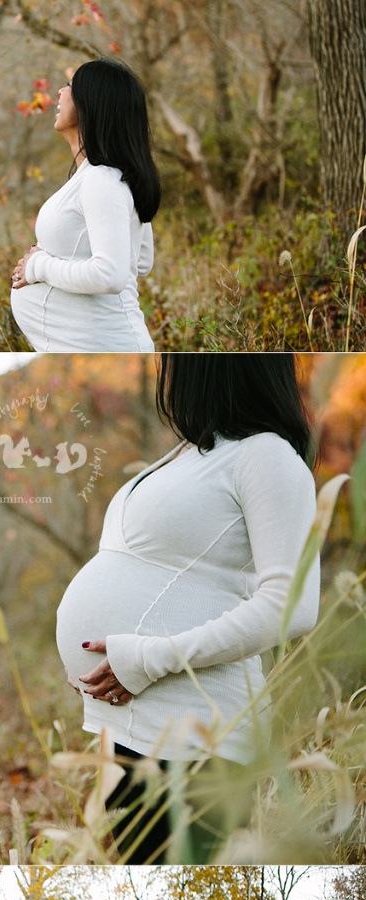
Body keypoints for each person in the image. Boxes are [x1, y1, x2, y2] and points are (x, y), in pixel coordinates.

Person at [56, 353, 320, 861]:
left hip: (197, 736)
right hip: (132, 722)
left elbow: (291, 606)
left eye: (173, 361)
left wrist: (143, 658)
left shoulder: (266, 456)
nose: (166, 370)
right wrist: (93, 665)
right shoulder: (191, 453)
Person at [10, 59, 159, 352]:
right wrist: (58, 256)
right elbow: (139, 262)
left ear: (91, 104)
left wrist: (39, 265)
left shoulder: (102, 180)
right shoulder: (108, 176)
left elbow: (111, 274)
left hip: (107, 349)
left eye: (70, 86)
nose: (60, 93)